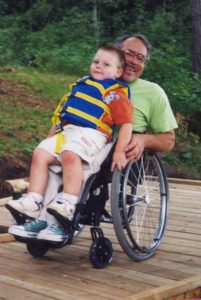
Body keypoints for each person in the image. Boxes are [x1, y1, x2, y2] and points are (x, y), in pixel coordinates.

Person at [7, 33, 178, 242]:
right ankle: (40, 218)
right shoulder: (93, 82)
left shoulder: (152, 92)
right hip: (77, 138)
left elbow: (169, 140)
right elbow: (65, 115)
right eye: (128, 54)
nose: (133, 61)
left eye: (140, 58)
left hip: (114, 151)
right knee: (50, 162)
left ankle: (63, 217)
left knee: (79, 164)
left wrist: (143, 140)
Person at [6, 45, 134, 239]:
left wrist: (119, 151)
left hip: (93, 134)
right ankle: (34, 201)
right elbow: (60, 117)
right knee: (40, 153)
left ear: (118, 72)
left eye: (106, 64)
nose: (98, 66)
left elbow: (126, 124)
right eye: (96, 62)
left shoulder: (115, 94)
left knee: (70, 153)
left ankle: (67, 203)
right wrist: (50, 138)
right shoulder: (81, 85)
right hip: (67, 132)